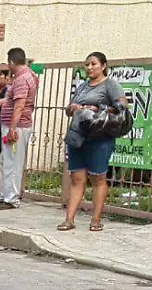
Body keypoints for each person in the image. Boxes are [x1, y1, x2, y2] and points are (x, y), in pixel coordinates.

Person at [60, 51, 128, 232]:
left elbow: (122, 107)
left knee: (98, 178)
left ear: (103, 66)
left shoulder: (110, 85)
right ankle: (69, 219)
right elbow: (69, 109)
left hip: (99, 138)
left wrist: (99, 108)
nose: (89, 68)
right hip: (77, 136)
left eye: (93, 64)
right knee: (76, 177)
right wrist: (72, 108)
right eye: (87, 64)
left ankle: (95, 220)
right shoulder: (82, 87)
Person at [0, 47, 38, 210]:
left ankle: (12, 198)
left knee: (13, 162)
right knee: (6, 160)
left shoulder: (22, 79)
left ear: (11, 62)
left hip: (17, 127)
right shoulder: (24, 77)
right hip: (13, 126)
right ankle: (5, 195)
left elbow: (19, 106)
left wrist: (12, 129)